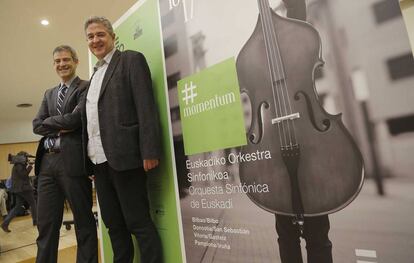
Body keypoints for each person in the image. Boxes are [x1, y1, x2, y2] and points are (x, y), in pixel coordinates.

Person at [81, 16, 162, 263]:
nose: (96, 40)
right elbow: (92, 121)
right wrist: (90, 162)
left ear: (112, 37)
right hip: (99, 162)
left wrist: (149, 150)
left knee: (139, 223)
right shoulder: (93, 77)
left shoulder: (130, 60)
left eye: (100, 34)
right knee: (114, 226)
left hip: (127, 157)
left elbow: (145, 106)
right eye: (91, 37)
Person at [274, 1, 333, 263]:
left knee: (318, 233)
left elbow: (298, 16)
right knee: (285, 233)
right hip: (278, 146)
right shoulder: (268, 51)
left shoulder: (300, 39)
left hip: (307, 146)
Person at [32, 45, 98, 263]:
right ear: (54, 65)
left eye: (66, 59)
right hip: (47, 164)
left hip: (72, 162)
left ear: (76, 61)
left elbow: (76, 119)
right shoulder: (49, 93)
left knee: (84, 222)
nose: (62, 64)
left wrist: (49, 123)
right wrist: (60, 124)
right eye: (58, 61)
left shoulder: (85, 87)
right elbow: (36, 125)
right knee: (46, 225)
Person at [1, 152, 37, 233]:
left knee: (17, 207)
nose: (27, 158)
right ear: (22, 157)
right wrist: (30, 166)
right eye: (26, 157)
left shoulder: (18, 164)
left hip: (19, 189)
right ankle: (36, 221)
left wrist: (28, 164)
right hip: (24, 188)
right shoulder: (19, 165)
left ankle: (5, 224)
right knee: (33, 203)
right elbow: (24, 175)